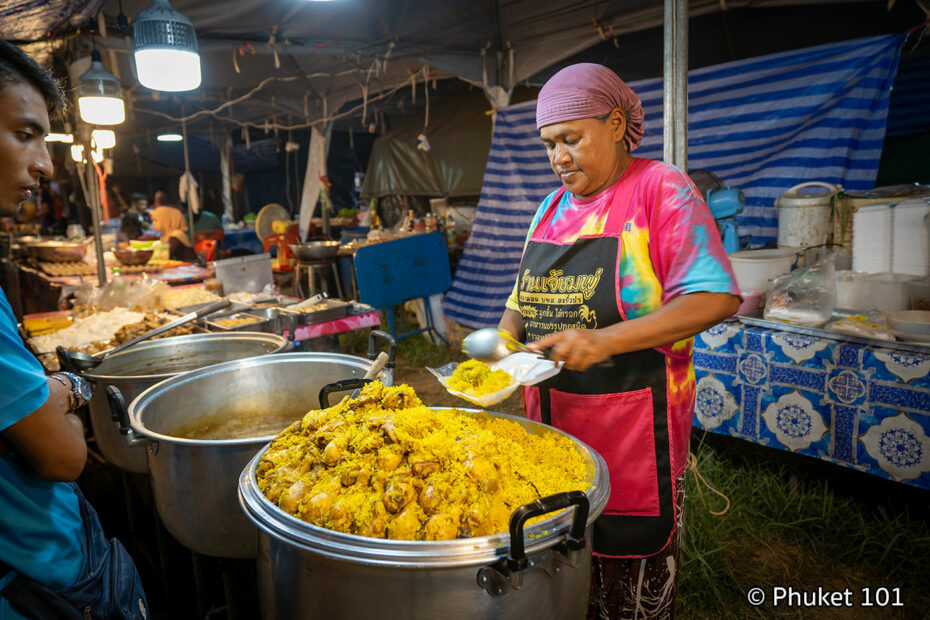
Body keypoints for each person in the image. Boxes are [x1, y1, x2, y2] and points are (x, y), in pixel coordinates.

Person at [498, 63, 741, 619]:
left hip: (634, 427)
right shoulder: (551, 207)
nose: (559, 157)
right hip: (553, 425)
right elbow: (522, 297)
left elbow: (714, 296)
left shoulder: (661, 189)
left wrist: (605, 341)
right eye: (548, 145)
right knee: (561, 565)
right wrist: (506, 336)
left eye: (570, 139)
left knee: (627, 579)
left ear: (613, 124)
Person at [0, 38, 148, 618]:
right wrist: (69, 389)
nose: (45, 163)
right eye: (24, 134)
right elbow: (64, 458)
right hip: (37, 580)